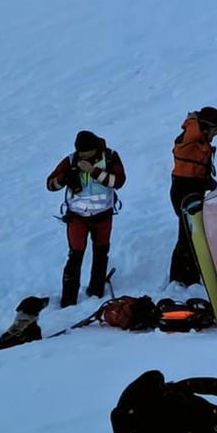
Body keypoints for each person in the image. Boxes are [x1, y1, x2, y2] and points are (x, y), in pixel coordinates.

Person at [45, 130, 127, 307]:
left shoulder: (110, 157)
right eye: (80, 152)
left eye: (86, 152)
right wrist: (65, 178)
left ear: (95, 148)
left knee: (101, 253)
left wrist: (94, 171)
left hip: (103, 216)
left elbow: (119, 182)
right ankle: (68, 300)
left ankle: (96, 290)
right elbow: (50, 184)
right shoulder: (71, 159)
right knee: (75, 256)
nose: (82, 155)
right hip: (77, 218)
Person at [168, 106, 217, 286]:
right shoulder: (190, 138)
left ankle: (190, 275)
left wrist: (206, 181)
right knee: (187, 235)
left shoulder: (198, 139)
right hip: (184, 191)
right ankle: (180, 278)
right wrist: (194, 120)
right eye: (215, 130)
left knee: (193, 232)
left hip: (193, 188)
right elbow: (192, 132)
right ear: (205, 128)